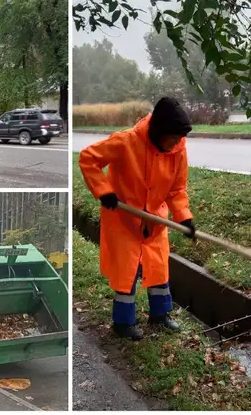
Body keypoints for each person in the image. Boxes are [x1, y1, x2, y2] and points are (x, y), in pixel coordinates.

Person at [79, 97, 195, 341]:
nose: (177, 143)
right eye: (173, 138)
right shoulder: (126, 141)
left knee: (158, 268)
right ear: (159, 131)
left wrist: (183, 217)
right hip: (123, 217)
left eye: (179, 139)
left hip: (154, 221)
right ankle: (123, 323)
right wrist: (105, 192)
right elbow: (89, 158)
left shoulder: (178, 150)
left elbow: (176, 190)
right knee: (127, 273)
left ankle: (160, 315)